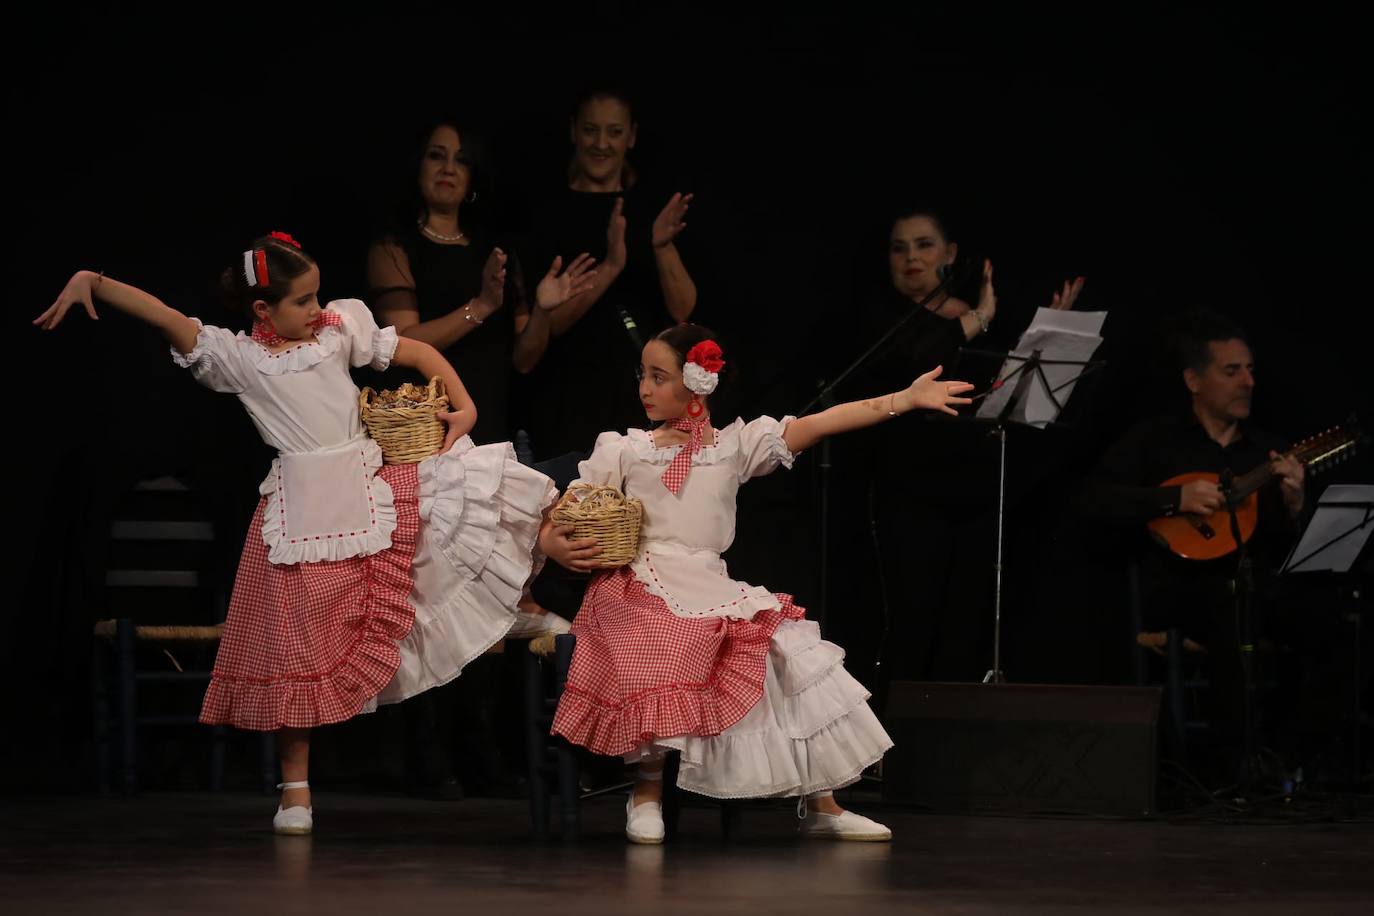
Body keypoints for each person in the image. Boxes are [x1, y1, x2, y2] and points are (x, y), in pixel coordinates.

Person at [36, 232, 559, 834]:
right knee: (295, 646)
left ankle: (518, 600)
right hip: (302, 509)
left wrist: (463, 407)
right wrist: (94, 283)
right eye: (303, 300)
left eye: (317, 295)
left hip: (368, 476)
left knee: (472, 485)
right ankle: (296, 791)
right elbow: (168, 318)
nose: (318, 308)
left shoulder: (336, 329)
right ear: (263, 310)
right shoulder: (241, 359)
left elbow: (414, 351)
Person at [540, 323, 974, 843]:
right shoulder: (625, 449)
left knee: (791, 647)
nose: (644, 389)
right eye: (643, 375)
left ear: (697, 383)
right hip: (638, 581)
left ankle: (822, 801)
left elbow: (820, 423)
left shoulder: (734, 446)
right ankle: (647, 788)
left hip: (710, 583)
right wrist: (551, 541)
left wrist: (902, 399)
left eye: (659, 376)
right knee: (665, 644)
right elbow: (571, 508)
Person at [1082, 308, 1305, 781]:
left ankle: (1292, 760)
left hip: (1251, 587)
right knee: (1226, 608)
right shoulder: (1156, 441)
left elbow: (1279, 547)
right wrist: (1173, 498)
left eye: (1250, 370)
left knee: (1324, 615)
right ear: (1193, 379)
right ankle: (1226, 771)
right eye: (1232, 371)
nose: (1248, 381)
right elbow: (1096, 498)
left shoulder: (1266, 452)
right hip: (1177, 589)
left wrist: (1292, 502)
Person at [366, 117, 597, 445]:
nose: (448, 168)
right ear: (418, 166)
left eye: (461, 160)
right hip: (424, 425)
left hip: (490, 419)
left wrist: (542, 312)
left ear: (472, 176)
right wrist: (481, 306)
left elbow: (524, 360)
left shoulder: (496, 250)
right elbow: (402, 342)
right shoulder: (393, 246)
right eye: (437, 156)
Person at [521, 86, 697, 461]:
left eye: (614, 132)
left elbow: (684, 310)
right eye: (590, 130)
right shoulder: (547, 214)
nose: (601, 143)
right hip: (568, 396)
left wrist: (662, 247)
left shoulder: (650, 208)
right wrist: (612, 266)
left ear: (630, 136)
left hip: (641, 395)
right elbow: (552, 322)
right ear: (573, 131)